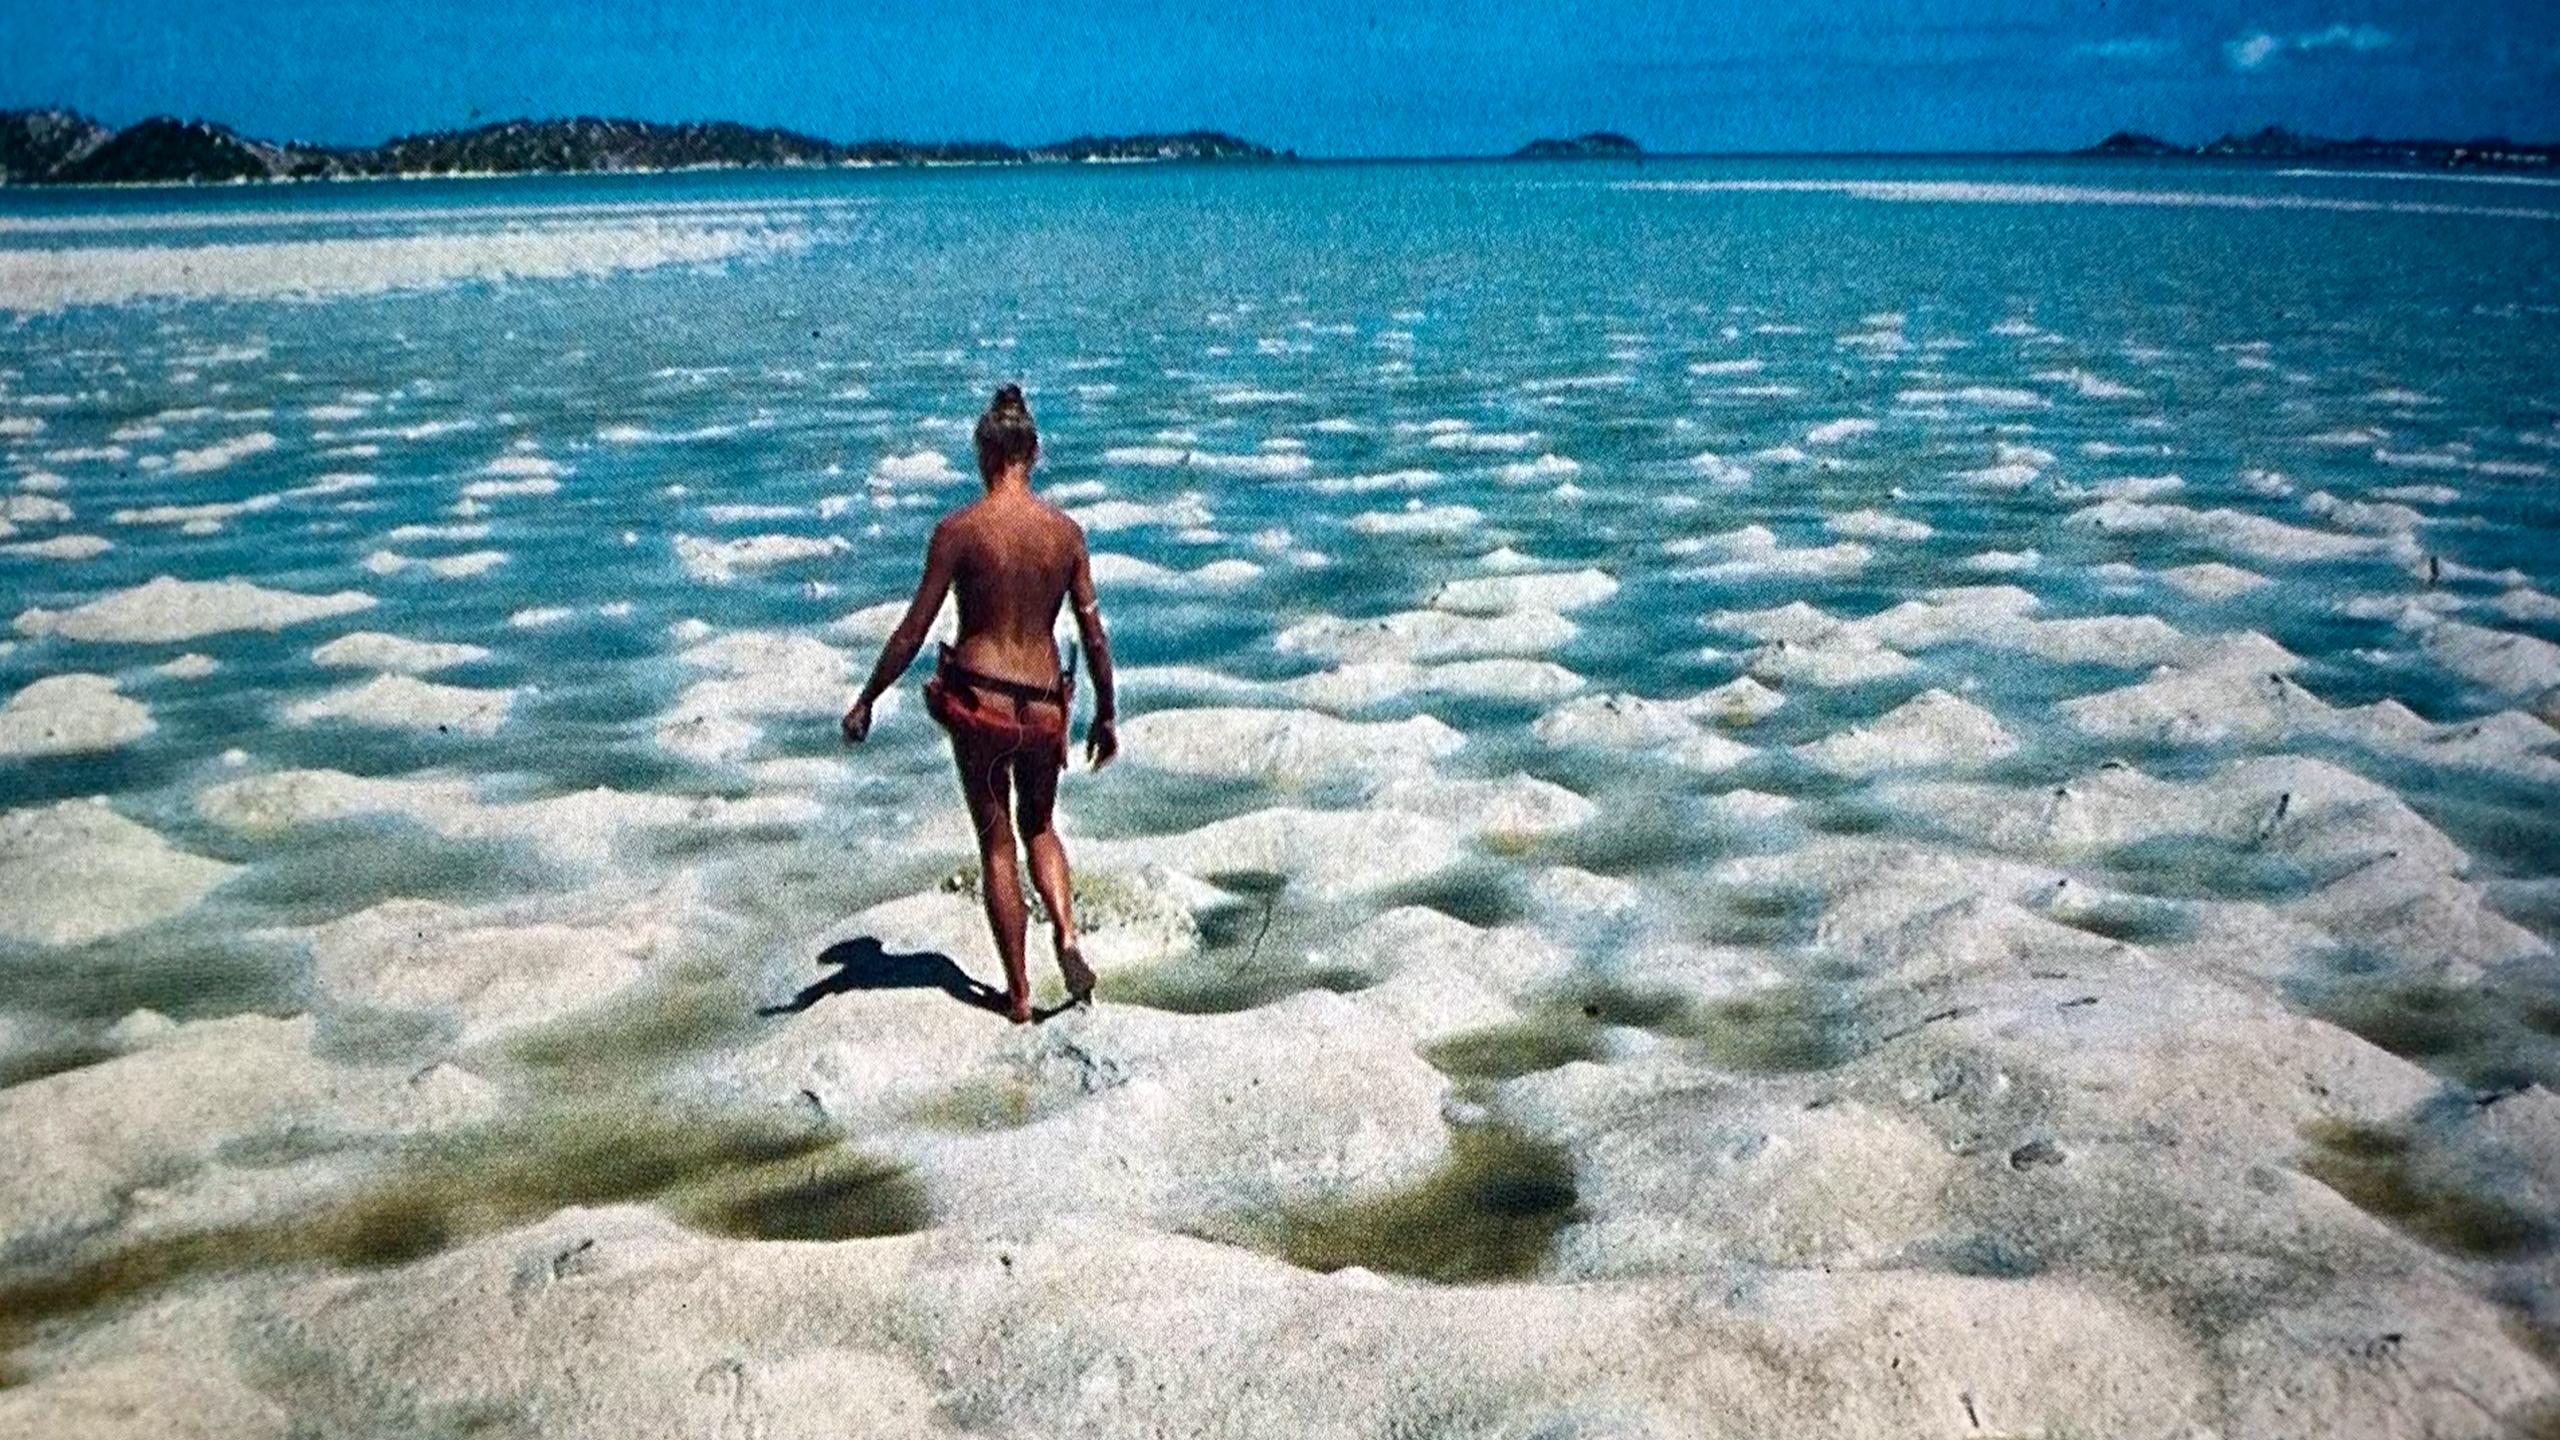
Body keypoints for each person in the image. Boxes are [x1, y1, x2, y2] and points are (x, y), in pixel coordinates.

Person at [841, 384, 1119, 1024]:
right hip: (1047, 703)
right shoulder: (1066, 534)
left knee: (997, 844)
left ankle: (1019, 995)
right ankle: (1068, 934)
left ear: (981, 453)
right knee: (1041, 826)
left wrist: (867, 699)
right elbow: (1094, 636)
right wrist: (1105, 713)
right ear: (1035, 452)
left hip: (982, 706)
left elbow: (913, 630)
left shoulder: (959, 531)